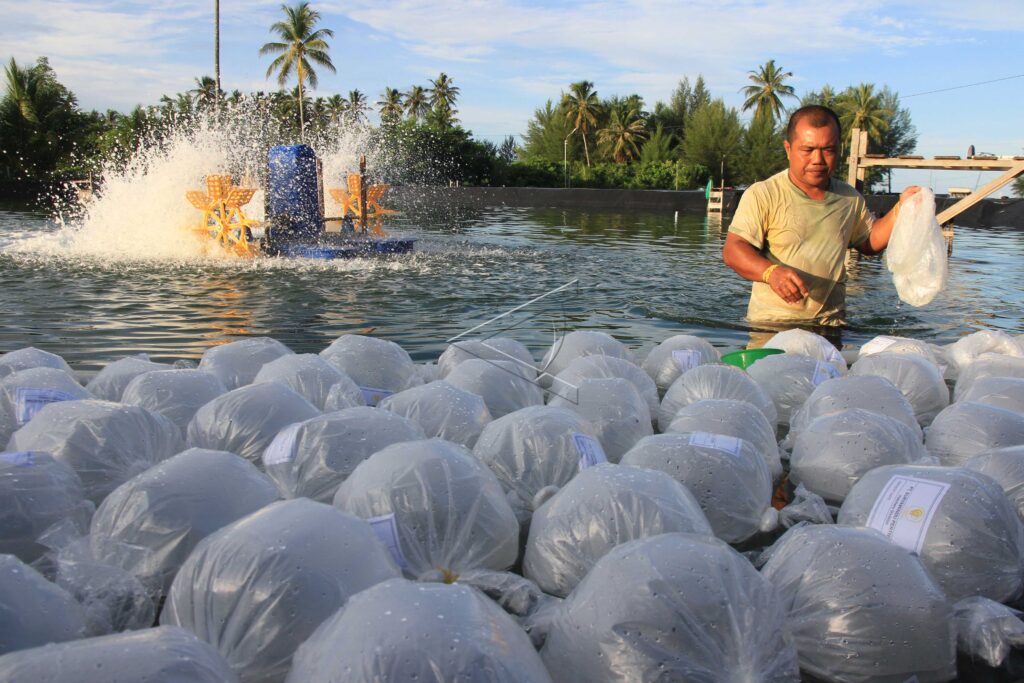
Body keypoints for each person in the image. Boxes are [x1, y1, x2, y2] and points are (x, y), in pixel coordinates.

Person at [722, 105, 920, 329]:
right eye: (807, 150)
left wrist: (900, 210)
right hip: (772, 327)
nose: (818, 159)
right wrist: (771, 273)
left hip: (831, 326)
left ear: (839, 150)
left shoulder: (849, 199)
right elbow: (733, 250)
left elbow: (870, 242)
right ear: (788, 149)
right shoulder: (764, 194)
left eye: (828, 150)